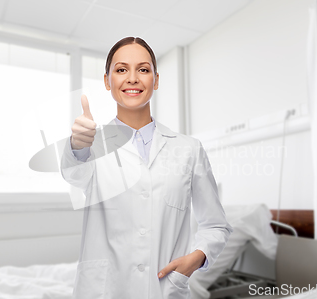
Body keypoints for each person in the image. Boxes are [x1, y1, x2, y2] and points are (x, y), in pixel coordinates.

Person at [60, 36, 233, 299]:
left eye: (143, 69)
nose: (132, 78)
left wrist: (196, 258)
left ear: (156, 79)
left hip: (164, 289)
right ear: (107, 81)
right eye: (121, 70)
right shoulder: (93, 144)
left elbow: (215, 225)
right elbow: (74, 173)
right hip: (104, 290)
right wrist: (78, 144)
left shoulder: (188, 149)